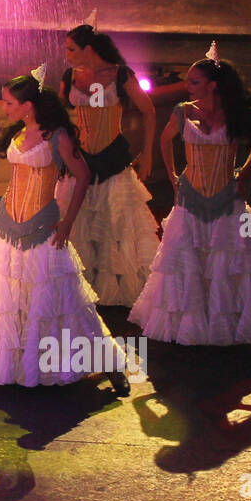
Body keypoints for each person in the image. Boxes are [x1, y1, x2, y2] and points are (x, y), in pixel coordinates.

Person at [0, 70, 132, 394]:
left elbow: (82, 175)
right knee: (8, 300)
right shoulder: (18, 134)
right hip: (8, 226)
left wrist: (67, 222)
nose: (3, 107)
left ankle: (111, 363)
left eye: (9, 102)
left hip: (43, 227)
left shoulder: (58, 136)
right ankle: (17, 365)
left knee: (64, 304)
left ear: (28, 105)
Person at [129, 44, 251, 345]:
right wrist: (173, 176)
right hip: (191, 197)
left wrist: (243, 175)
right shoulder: (184, 112)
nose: (187, 87)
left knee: (250, 257)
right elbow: (165, 142)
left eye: (194, 82)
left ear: (212, 85)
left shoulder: (235, 113)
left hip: (227, 198)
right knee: (185, 260)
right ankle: (195, 323)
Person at [57, 21, 159, 306]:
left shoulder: (119, 74)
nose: (67, 54)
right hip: (81, 158)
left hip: (112, 158)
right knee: (79, 223)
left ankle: (112, 291)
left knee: (115, 225)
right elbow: (60, 119)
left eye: (71, 49)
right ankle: (80, 287)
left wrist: (147, 153)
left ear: (89, 49)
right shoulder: (70, 76)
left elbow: (149, 111)